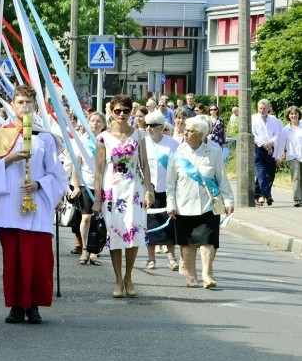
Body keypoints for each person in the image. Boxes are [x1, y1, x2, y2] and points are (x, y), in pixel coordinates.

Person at [0, 86, 67, 324]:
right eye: (20, 102)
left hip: (37, 206)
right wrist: (8, 160)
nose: (24, 106)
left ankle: (34, 304)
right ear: (12, 104)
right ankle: (17, 306)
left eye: (29, 102)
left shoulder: (45, 138)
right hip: (10, 207)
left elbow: (57, 174)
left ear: (35, 106)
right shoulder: (0, 136)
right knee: (14, 259)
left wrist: (40, 185)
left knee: (39, 260)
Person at [92, 95, 152, 299]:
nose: (122, 115)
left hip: (135, 190)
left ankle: (129, 276)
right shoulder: (103, 138)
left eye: (125, 111)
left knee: (134, 234)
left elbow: (144, 164)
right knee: (116, 234)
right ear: (111, 111)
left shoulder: (139, 135)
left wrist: (149, 190)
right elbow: (99, 171)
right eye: (117, 111)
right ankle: (118, 278)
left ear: (131, 112)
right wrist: (97, 199)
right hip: (112, 191)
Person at [166, 117, 234, 288]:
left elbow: (222, 179)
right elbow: (170, 184)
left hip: (208, 205)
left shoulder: (214, 153)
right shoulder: (177, 154)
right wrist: (171, 204)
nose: (185, 133)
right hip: (184, 205)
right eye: (186, 130)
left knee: (208, 240)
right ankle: (191, 273)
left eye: (190, 131)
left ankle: (206, 272)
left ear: (201, 135)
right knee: (187, 243)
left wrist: (228, 200)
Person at [143, 111, 180, 271]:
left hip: (168, 189)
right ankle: (151, 258)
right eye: (147, 125)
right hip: (149, 189)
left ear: (161, 127)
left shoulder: (172, 144)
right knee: (150, 223)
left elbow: (179, 166)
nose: (149, 129)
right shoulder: (142, 143)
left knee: (170, 223)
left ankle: (171, 256)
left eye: (153, 126)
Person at [72, 112, 106, 266]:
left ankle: (95, 251)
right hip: (87, 184)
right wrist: (76, 185)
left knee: (98, 219)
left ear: (104, 124)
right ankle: (85, 248)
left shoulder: (106, 141)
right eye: (92, 121)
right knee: (86, 218)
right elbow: (76, 164)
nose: (95, 124)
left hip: (104, 185)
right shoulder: (82, 141)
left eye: (99, 121)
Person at [252, 99, 283, 206]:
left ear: (268, 108)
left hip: (270, 148)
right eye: (260, 108)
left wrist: (270, 143)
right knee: (261, 172)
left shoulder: (273, 119)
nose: (262, 110)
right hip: (259, 148)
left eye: (264, 108)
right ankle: (267, 195)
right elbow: (253, 134)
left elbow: (277, 133)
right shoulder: (253, 118)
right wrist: (264, 144)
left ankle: (259, 195)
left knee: (266, 173)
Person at [276, 106, 302, 207]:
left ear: (299, 114)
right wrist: (278, 157)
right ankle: (297, 199)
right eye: (291, 114)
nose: (293, 115)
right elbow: (281, 144)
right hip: (292, 155)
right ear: (288, 116)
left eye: (295, 113)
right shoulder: (285, 130)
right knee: (296, 176)